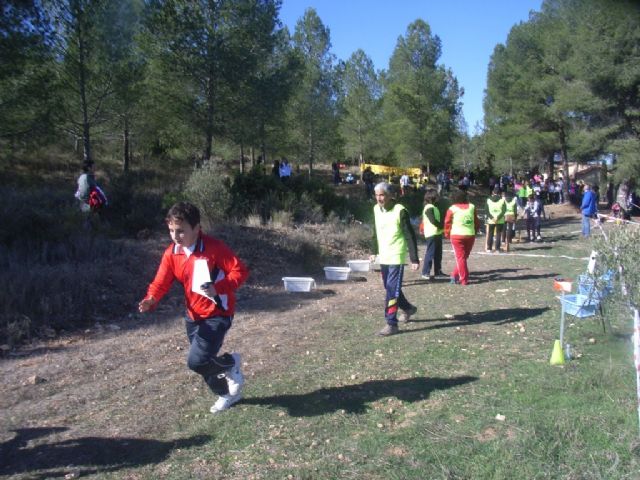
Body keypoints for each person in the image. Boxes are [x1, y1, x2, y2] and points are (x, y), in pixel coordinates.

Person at [138, 202, 250, 413]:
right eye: (171, 231)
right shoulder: (172, 253)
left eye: (181, 231)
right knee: (204, 363)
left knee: (197, 362)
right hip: (193, 315)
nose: (175, 236)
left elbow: (240, 271)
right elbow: (160, 282)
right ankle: (226, 394)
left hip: (218, 313)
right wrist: (151, 299)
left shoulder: (214, 248)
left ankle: (230, 363)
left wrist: (219, 288)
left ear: (197, 228)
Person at [369, 182, 419, 336]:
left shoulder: (400, 211)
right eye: (377, 195)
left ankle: (391, 323)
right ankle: (408, 308)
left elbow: (409, 235)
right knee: (390, 287)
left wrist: (414, 259)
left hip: (396, 255)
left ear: (391, 196)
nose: (379, 198)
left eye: (382, 195)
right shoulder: (376, 209)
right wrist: (373, 250)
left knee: (391, 289)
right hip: (384, 255)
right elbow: (375, 231)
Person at [443, 189, 480, 286]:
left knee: (461, 258)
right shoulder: (472, 207)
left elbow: (447, 223)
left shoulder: (452, 208)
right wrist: (475, 231)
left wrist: (447, 234)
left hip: (456, 236)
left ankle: (463, 279)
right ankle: (454, 275)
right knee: (463, 257)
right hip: (470, 235)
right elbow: (476, 221)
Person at [421, 189, 445, 280]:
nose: (438, 198)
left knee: (438, 254)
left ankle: (438, 271)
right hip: (432, 233)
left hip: (437, 233)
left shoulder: (434, 207)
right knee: (430, 253)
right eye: (437, 196)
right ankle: (425, 272)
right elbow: (433, 220)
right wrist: (442, 226)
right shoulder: (429, 207)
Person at [485, 186, 506, 253]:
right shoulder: (502, 200)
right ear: (499, 193)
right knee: (498, 234)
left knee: (490, 234)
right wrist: (498, 217)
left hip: (491, 220)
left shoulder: (488, 199)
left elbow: (486, 211)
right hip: (500, 220)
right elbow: (504, 211)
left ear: (492, 192)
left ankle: (489, 248)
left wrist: (492, 218)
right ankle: (497, 249)